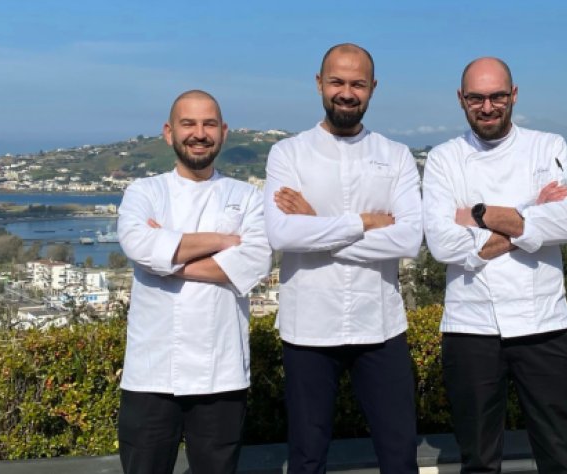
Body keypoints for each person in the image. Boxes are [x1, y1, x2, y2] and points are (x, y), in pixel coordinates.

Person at [263, 43, 423, 474]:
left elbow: (409, 239)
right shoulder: (287, 154)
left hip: (382, 325)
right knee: (307, 456)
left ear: (373, 88)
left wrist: (318, 224)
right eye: (337, 81)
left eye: (357, 83)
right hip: (308, 328)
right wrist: (365, 223)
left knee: (399, 455)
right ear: (319, 83)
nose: (346, 92)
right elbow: (282, 233)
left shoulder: (396, 155)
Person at [422, 57, 567, 474]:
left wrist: (476, 215)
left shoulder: (548, 146)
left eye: (497, 96)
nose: (488, 106)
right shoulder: (444, 158)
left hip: (545, 323)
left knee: (560, 453)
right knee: (478, 458)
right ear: (461, 100)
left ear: (514, 96)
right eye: (476, 98)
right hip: (470, 326)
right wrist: (529, 215)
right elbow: (443, 243)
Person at [116, 90, 271, 474]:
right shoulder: (143, 192)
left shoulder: (247, 196)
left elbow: (255, 261)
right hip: (150, 372)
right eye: (188, 124)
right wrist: (222, 241)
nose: (198, 133)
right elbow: (139, 244)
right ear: (169, 133)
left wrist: (168, 255)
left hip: (221, 371)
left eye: (209, 124)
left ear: (224, 132)